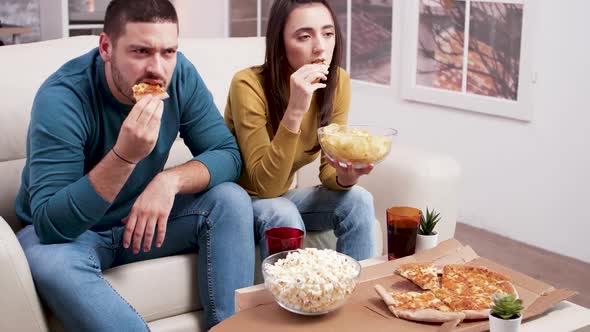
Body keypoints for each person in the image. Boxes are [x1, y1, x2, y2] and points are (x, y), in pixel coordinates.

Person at [15, 0, 254, 330]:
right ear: (106, 47)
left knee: (230, 200)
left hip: (140, 222)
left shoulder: (180, 75)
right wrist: (124, 157)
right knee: (50, 261)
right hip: (72, 236)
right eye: (141, 51)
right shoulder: (63, 97)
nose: (157, 68)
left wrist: (168, 182)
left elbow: (228, 154)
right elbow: (50, 225)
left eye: (168, 52)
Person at [224, 0, 377, 260]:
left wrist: (345, 177)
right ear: (280, 42)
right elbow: (266, 187)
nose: (320, 47)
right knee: (283, 213)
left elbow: (329, 170)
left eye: (328, 34)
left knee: (359, 200)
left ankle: (356, 295)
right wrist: (295, 109)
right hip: (238, 204)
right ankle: (291, 299)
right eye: (304, 36)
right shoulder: (247, 85)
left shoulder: (337, 81)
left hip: (283, 198)